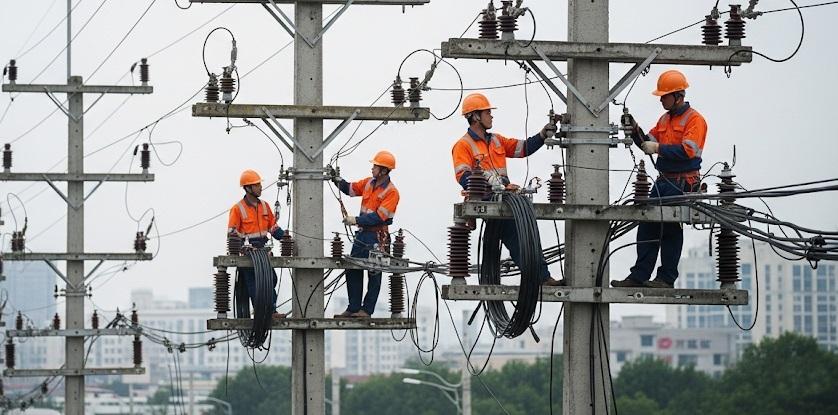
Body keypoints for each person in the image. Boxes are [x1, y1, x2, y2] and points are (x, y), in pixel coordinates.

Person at [452, 92, 563, 286]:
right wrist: (491, 185)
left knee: (527, 230)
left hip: (505, 198)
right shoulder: (463, 145)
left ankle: (539, 277)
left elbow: (523, 148)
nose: (491, 116)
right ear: (475, 116)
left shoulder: (496, 140)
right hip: (487, 199)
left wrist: (543, 134)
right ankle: (540, 278)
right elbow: (463, 177)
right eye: (487, 112)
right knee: (519, 233)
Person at [612, 70, 708, 289]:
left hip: (683, 183)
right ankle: (639, 276)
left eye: (664, 96)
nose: (661, 100)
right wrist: (634, 130)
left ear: (678, 96)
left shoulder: (695, 120)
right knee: (647, 224)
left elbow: (688, 151)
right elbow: (648, 143)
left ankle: (665, 279)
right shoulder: (665, 119)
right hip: (665, 180)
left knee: (671, 228)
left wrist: (658, 148)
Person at [332, 151, 400, 318]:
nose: (372, 168)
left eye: (375, 166)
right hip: (363, 235)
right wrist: (336, 179)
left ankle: (366, 310)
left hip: (377, 237)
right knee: (352, 267)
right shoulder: (369, 183)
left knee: (374, 272)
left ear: (384, 170)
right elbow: (350, 189)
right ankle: (354, 307)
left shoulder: (392, 192)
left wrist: (355, 220)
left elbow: (379, 217)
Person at [228, 169, 286, 318]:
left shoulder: (265, 206)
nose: (260, 187)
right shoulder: (238, 209)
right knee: (255, 283)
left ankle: (270, 310)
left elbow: (273, 227)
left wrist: (285, 238)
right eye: (257, 185)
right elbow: (232, 234)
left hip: (263, 251)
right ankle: (265, 312)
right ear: (248, 188)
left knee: (270, 279)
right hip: (248, 254)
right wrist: (242, 248)